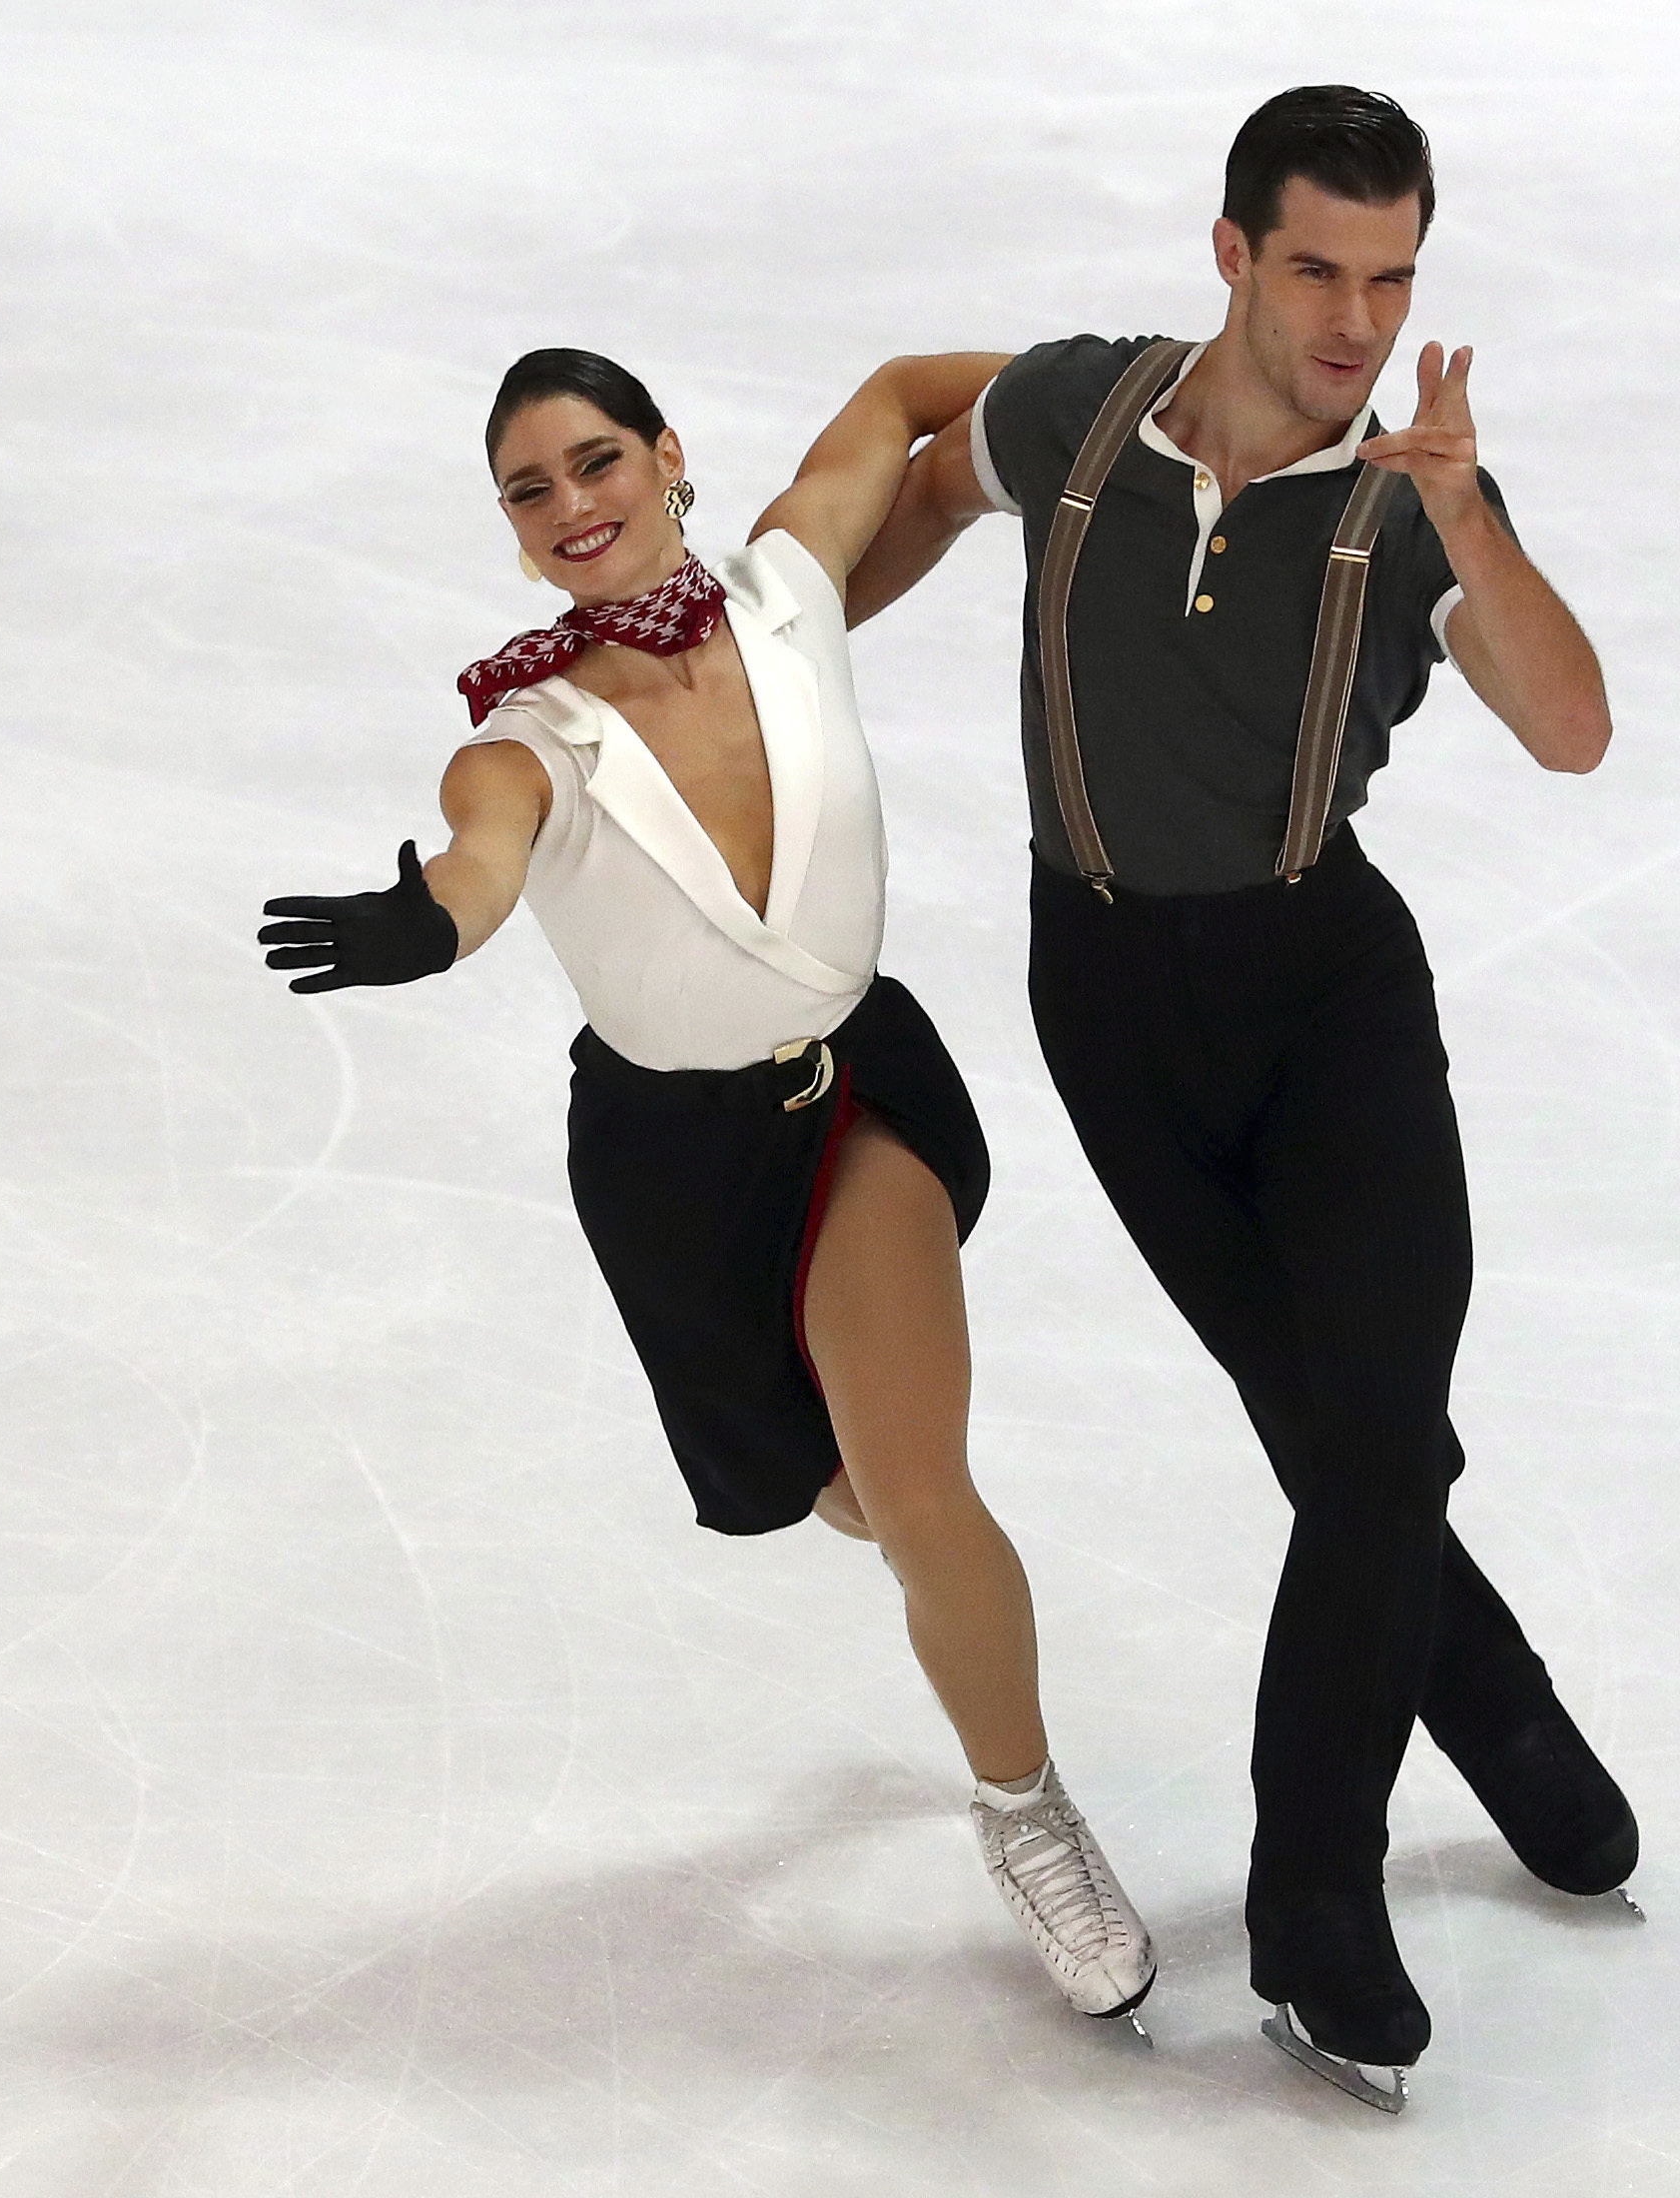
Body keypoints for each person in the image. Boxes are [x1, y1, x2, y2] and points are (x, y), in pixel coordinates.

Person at [844, 86, 1639, 2111]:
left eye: (1394, 276)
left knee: (1373, 1441)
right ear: (1229, 251)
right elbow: (927, 482)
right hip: (1111, 1003)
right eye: (1318, 269)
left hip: (1329, 997)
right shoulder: (1086, 420)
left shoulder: (1405, 494)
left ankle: (1316, 1900)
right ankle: (1504, 1701)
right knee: (1335, 1434)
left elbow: (1571, 727)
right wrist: (772, 640)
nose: (1359, 319)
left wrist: (1466, 508)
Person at [256, 348, 1158, 2027]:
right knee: (858, 1501)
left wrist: (1130, 386)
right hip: (672, 1174)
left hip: (856, 1099)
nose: (571, 507)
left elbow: (898, 402)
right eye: (530, 490)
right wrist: (425, 924)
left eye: (596, 462)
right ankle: (898, 1544)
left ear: (668, 457)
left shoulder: (790, 588)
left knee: (925, 1489)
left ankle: (1028, 1811)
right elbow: (479, 856)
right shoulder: (535, 734)